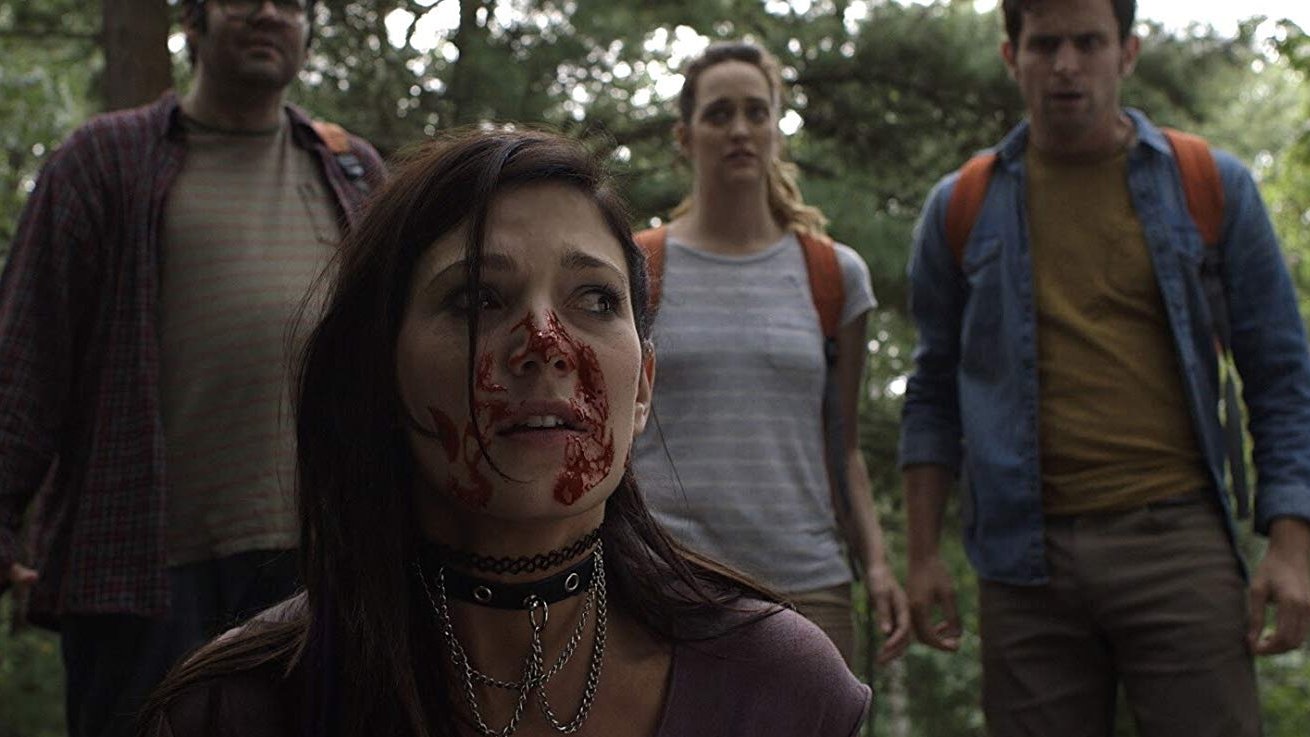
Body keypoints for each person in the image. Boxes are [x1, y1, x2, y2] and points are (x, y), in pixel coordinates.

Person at [137, 128, 870, 736]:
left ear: (643, 386)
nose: (545, 342)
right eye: (477, 298)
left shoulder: (784, 691)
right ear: (378, 372)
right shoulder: (233, 712)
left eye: (595, 298)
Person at [900, 0, 1310, 735]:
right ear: (1011, 56)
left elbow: (1280, 374)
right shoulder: (962, 206)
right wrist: (923, 552)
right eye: (1045, 44)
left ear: (1128, 52)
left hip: (1178, 543)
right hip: (1025, 565)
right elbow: (933, 391)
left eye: (1089, 42)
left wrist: (1291, 543)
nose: (1066, 65)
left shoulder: (1208, 184)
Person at [0, 1, 385, 735]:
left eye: (290, 3)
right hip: (143, 578)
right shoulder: (106, 159)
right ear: (193, 22)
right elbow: (24, 358)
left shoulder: (351, 169)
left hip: (322, 571)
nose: (268, 14)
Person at [630, 41, 910, 665]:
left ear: (777, 129)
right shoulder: (637, 267)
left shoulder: (832, 274)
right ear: (685, 137)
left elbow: (843, 445)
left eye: (756, 112)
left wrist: (878, 564)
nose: (740, 129)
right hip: (667, 584)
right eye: (719, 114)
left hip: (807, 587)